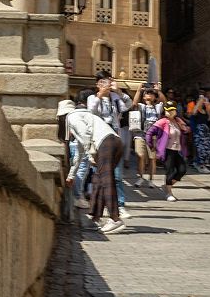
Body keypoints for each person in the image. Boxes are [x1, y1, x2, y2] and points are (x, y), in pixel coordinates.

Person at [60, 97, 126, 234]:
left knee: (106, 180)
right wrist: (71, 175)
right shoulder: (87, 116)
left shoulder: (72, 117)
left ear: (62, 116)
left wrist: (91, 155)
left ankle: (115, 219)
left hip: (105, 143)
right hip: (116, 142)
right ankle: (96, 217)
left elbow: (85, 135)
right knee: (98, 179)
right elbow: (79, 153)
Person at [88, 76, 133, 212]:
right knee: (100, 172)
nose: (106, 85)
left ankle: (120, 203)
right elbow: (91, 111)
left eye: (107, 82)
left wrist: (119, 92)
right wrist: (100, 95)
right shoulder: (92, 98)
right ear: (97, 84)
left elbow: (128, 106)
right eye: (102, 82)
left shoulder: (115, 97)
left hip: (114, 134)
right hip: (100, 135)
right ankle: (99, 205)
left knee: (117, 174)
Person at [146, 103, 192, 201]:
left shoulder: (178, 121)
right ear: (165, 111)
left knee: (182, 170)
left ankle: (167, 185)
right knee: (170, 171)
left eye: (172, 110)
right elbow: (149, 133)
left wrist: (186, 129)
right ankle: (169, 193)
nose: (170, 112)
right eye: (168, 110)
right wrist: (151, 145)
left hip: (177, 150)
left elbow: (186, 131)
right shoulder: (162, 122)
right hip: (167, 150)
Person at [130, 87, 166, 187]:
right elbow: (134, 104)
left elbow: (164, 101)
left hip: (154, 136)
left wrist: (158, 90)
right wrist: (138, 90)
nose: (149, 95)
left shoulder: (158, 107)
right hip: (140, 134)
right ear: (144, 96)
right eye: (147, 94)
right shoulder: (141, 106)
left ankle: (151, 179)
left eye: (151, 94)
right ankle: (141, 177)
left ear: (155, 97)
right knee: (140, 155)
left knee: (152, 158)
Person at [188, 88, 210, 172]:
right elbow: (193, 112)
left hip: (206, 130)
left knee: (209, 146)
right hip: (198, 130)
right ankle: (200, 165)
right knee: (200, 148)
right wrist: (200, 100)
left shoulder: (205, 110)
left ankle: (203, 163)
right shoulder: (196, 111)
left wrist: (207, 102)